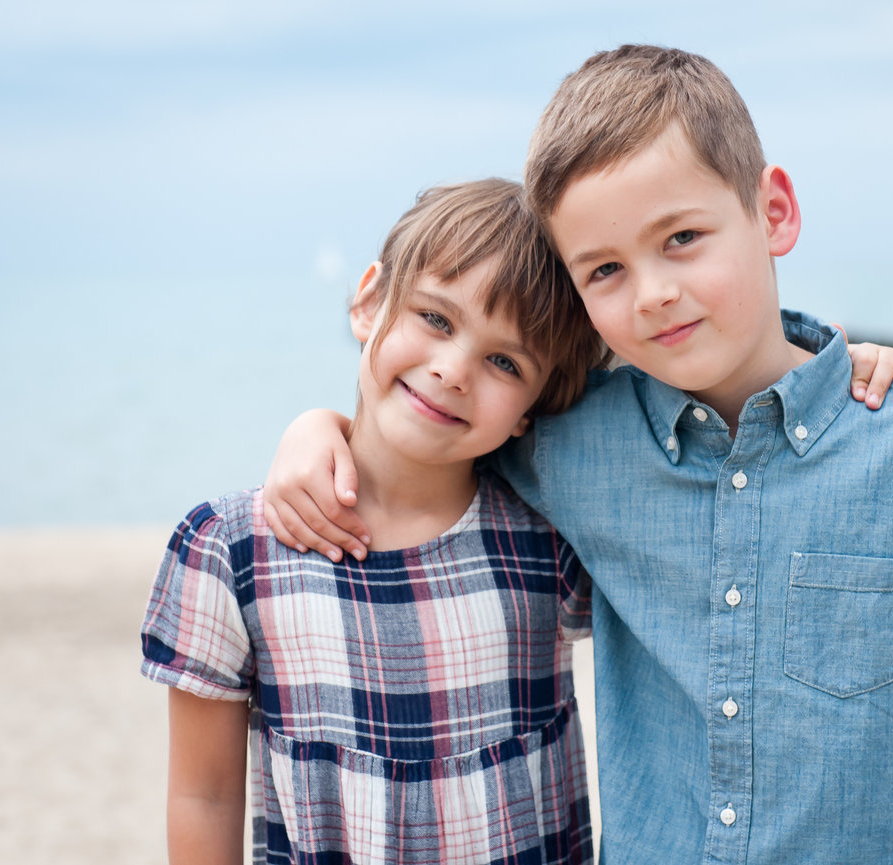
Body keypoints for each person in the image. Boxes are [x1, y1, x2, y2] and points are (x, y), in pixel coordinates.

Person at [266, 45, 893, 864]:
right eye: (607, 269)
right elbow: (442, 431)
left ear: (774, 213)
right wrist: (322, 427)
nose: (652, 291)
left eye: (683, 237)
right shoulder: (571, 445)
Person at [140, 179, 606, 865]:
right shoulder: (232, 550)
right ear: (367, 301)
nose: (451, 370)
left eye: (504, 361)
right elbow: (203, 796)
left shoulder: (551, 540)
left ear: (537, 404)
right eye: (436, 319)